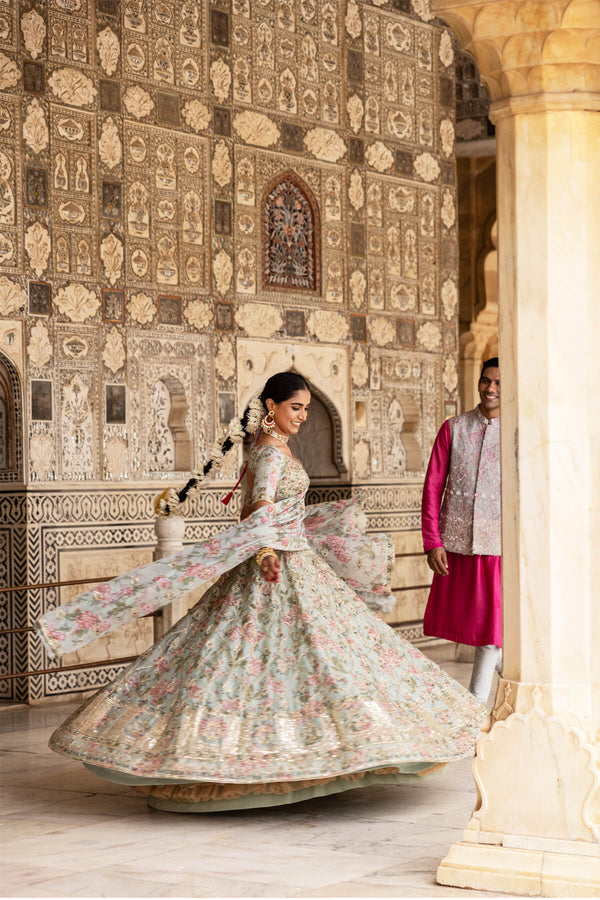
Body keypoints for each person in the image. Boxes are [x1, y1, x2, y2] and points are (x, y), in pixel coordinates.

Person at [37, 372, 484, 813]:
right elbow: (260, 504)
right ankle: (266, 761)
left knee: (300, 660)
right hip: (277, 566)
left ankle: (306, 756)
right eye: (296, 407)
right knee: (264, 662)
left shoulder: (273, 447)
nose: (304, 416)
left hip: (294, 560)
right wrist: (267, 549)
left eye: (308, 408)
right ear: (271, 406)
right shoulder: (270, 453)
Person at [421, 358, 502, 704]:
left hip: (501, 547)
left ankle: (474, 705)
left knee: (493, 632)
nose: (490, 389)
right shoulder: (454, 428)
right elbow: (432, 487)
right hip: (457, 546)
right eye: (486, 381)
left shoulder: (521, 429)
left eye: (499, 383)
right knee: (489, 633)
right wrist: (431, 541)